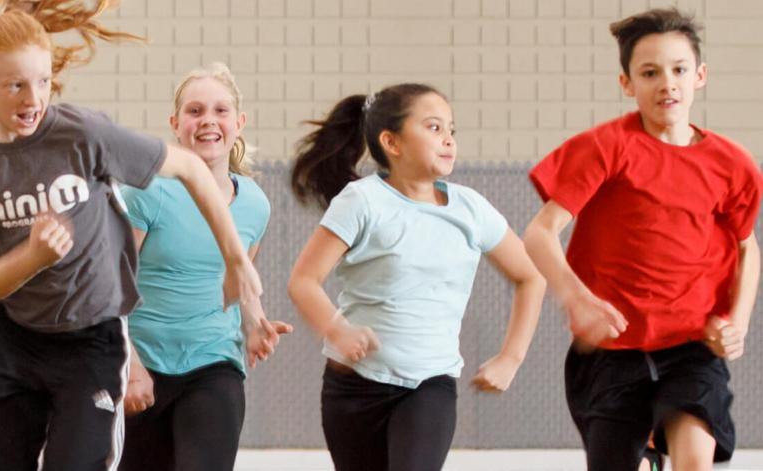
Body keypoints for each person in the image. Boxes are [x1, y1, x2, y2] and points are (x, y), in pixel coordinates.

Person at [0, 1, 263, 470]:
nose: (33, 99)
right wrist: (33, 256)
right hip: (14, 339)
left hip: (89, 338)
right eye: (15, 85)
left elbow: (191, 168)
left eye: (43, 81)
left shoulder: (82, 134)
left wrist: (236, 259)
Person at [523, 8, 763, 470]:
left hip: (691, 344)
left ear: (700, 76)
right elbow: (539, 233)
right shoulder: (604, 148)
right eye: (650, 73)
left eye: (679, 70)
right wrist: (577, 299)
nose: (666, 83)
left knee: (695, 458)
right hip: (612, 347)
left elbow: (746, 246)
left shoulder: (732, 164)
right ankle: (647, 448)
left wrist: (738, 320)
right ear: (627, 83)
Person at [286, 83, 546, 471]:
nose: (448, 139)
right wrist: (337, 330)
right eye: (434, 127)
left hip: (430, 385)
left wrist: (511, 357)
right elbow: (303, 280)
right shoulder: (362, 201)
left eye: (451, 129)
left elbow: (530, 277)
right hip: (355, 387)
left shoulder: (470, 209)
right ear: (392, 142)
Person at [118, 62, 292, 471]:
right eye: (195, 111)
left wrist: (254, 324)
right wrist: (129, 364)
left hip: (214, 364)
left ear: (239, 123)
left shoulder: (255, 204)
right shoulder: (146, 192)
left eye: (220, 110)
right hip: (143, 367)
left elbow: (239, 279)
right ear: (176, 124)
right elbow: (110, 288)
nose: (208, 120)